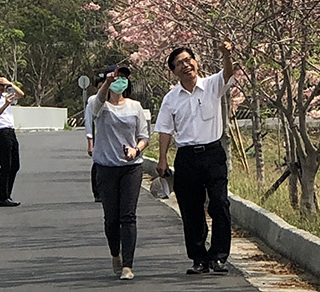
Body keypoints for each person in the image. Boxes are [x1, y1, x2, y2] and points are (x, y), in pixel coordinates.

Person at [155, 41, 235, 275]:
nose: (186, 65)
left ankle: (219, 256)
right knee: (191, 210)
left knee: (220, 204)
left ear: (196, 62)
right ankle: (199, 258)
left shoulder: (211, 85)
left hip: (213, 154)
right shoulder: (171, 98)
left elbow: (228, 74)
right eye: (180, 63)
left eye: (189, 60)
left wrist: (227, 55)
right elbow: (165, 129)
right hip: (187, 157)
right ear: (173, 71)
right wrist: (162, 159)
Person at [91, 64, 150, 281]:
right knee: (111, 218)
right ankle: (115, 254)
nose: (120, 80)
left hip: (130, 168)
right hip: (106, 168)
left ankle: (128, 264)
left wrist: (136, 149)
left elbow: (144, 136)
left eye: (124, 77)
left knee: (128, 215)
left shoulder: (135, 107)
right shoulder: (98, 105)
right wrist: (107, 82)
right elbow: (97, 105)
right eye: (117, 76)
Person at [0, 74, 24, 207]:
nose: (1, 87)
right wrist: (5, 105)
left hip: (11, 131)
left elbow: (21, 94)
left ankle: (8, 195)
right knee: (6, 165)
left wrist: (10, 84)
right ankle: (3, 197)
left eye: (3, 85)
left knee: (15, 165)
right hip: (1, 132)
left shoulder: (5, 96)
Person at [84, 72, 106, 202]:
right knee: (97, 164)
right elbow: (89, 123)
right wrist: (90, 143)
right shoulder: (92, 101)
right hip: (97, 138)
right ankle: (97, 192)